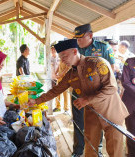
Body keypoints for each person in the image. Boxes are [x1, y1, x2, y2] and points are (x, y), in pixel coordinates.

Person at [28, 39, 129, 157]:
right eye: (60, 57)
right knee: (90, 147)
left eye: (64, 56)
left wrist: (87, 100)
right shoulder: (71, 74)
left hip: (111, 111)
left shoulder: (97, 63)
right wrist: (36, 101)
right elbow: (56, 90)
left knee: (114, 150)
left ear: (75, 51)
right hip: (91, 113)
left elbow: (111, 88)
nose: (62, 60)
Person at [72, 24, 116, 156]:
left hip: (97, 93)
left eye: (81, 38)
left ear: (90, 35)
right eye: (76, 38)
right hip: (79, 92)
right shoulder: (75, 49)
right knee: (78, 122)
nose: (78, 41)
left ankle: (97, 150)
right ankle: (78, 150)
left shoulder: (104, 47)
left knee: (98, 122)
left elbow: (111, 69)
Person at [121, 57, 135, 157]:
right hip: (131, 104)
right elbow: (125, 82)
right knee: (131, 131)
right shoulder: (129, 61)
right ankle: (131, 154)